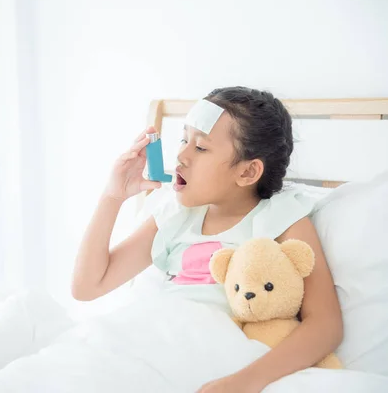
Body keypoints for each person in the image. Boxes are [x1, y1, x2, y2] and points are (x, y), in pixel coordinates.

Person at [72, 86, 343, 393]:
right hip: (156, 334)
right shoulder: (176, 215)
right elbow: (87, 287)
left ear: (248, 172)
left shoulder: (281, 219)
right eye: (183, 139)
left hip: (212, 349)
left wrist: (245, 382)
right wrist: (112, 197)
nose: (181, 156)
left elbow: (325, 326)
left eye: (200, 148)